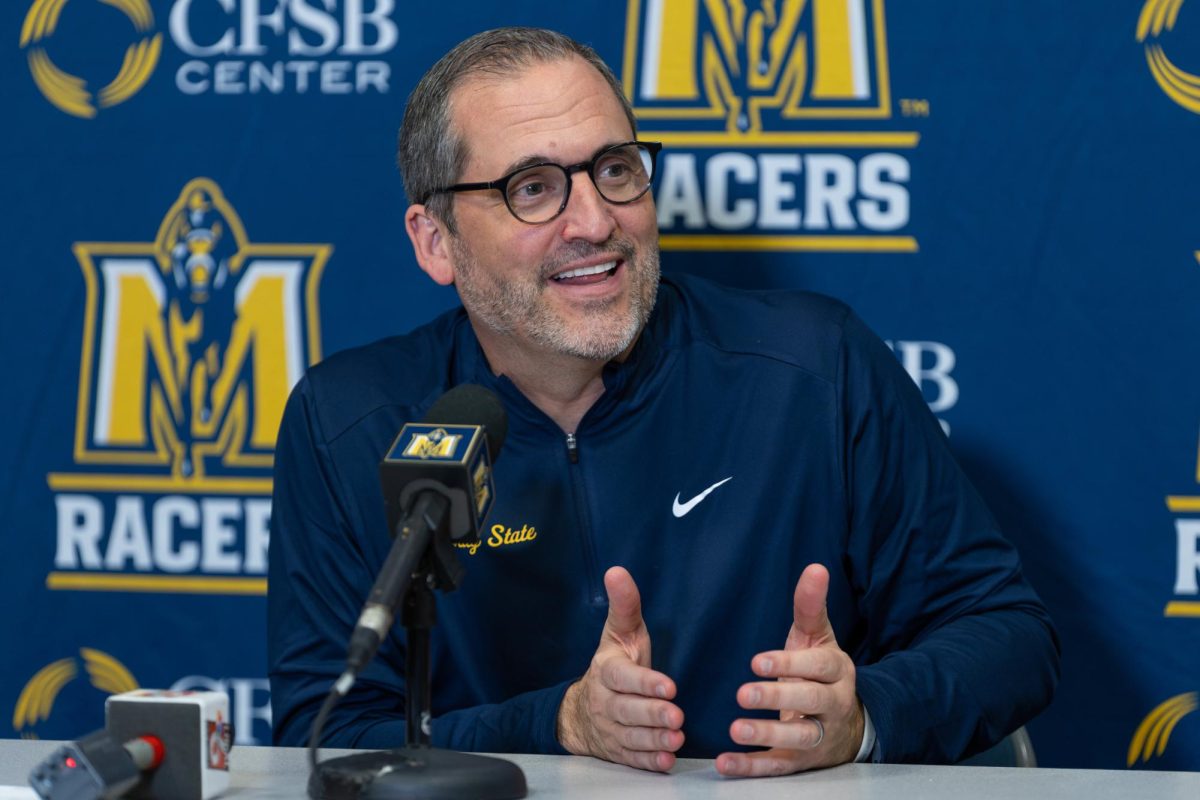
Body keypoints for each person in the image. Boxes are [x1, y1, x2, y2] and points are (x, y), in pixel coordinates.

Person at [268, 27, 1059, 777]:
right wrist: (557, 726)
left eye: (616, 169)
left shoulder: (812, 369)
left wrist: (866, 715)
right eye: (532, 188)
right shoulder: (350, 421)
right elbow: (331, 733)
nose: (596, 221)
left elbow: (1009, 636)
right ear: (435, 241)